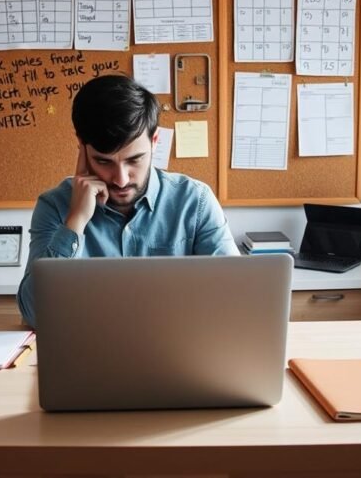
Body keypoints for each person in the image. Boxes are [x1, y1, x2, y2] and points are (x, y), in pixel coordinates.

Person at [17, 75, 239, 328]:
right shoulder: (55, 206)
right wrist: (75, 223)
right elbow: (34, 314)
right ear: (82, 147)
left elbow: (233, 301)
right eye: (104, 161)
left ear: (155, 142)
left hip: (177, 356)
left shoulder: (195, 202)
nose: (121, 180)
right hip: (89, 358)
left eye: (134, 160)